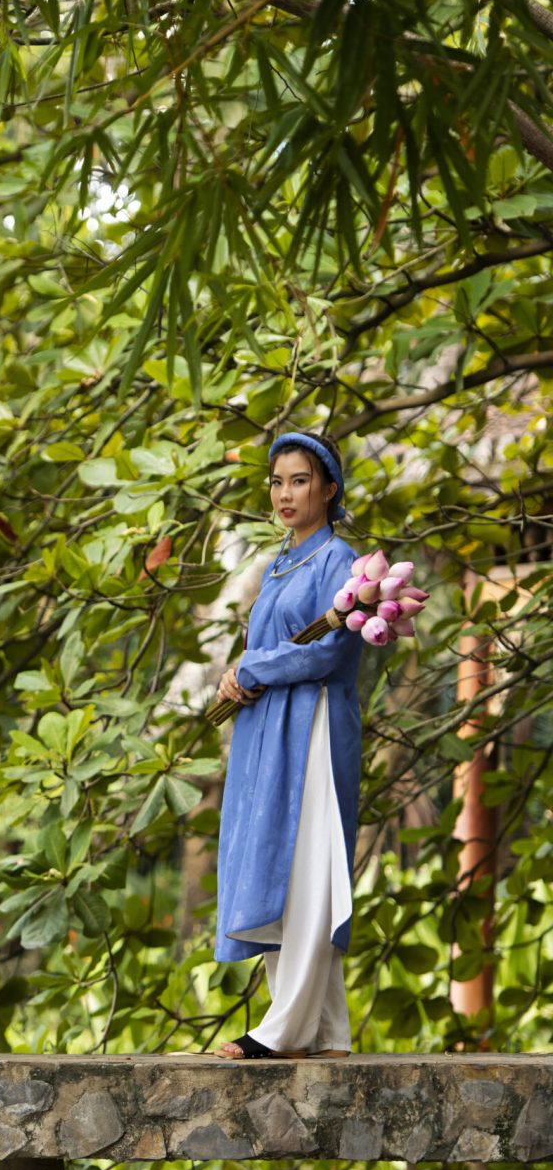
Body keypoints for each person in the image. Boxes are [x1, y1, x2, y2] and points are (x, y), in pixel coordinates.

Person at [213, 431, 363, 1059]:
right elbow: (267, 648)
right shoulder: (278, 562)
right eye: (277, 481)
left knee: (308, 867)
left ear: (328, 488)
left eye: (299, 480)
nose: (284, 493)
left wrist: (256, 669)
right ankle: (325, 1030)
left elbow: (332, 649)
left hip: (315, 725)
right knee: (277, 863)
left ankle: (279, 1032)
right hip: (265, 731)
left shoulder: (340, 560)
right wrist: (235, 673)